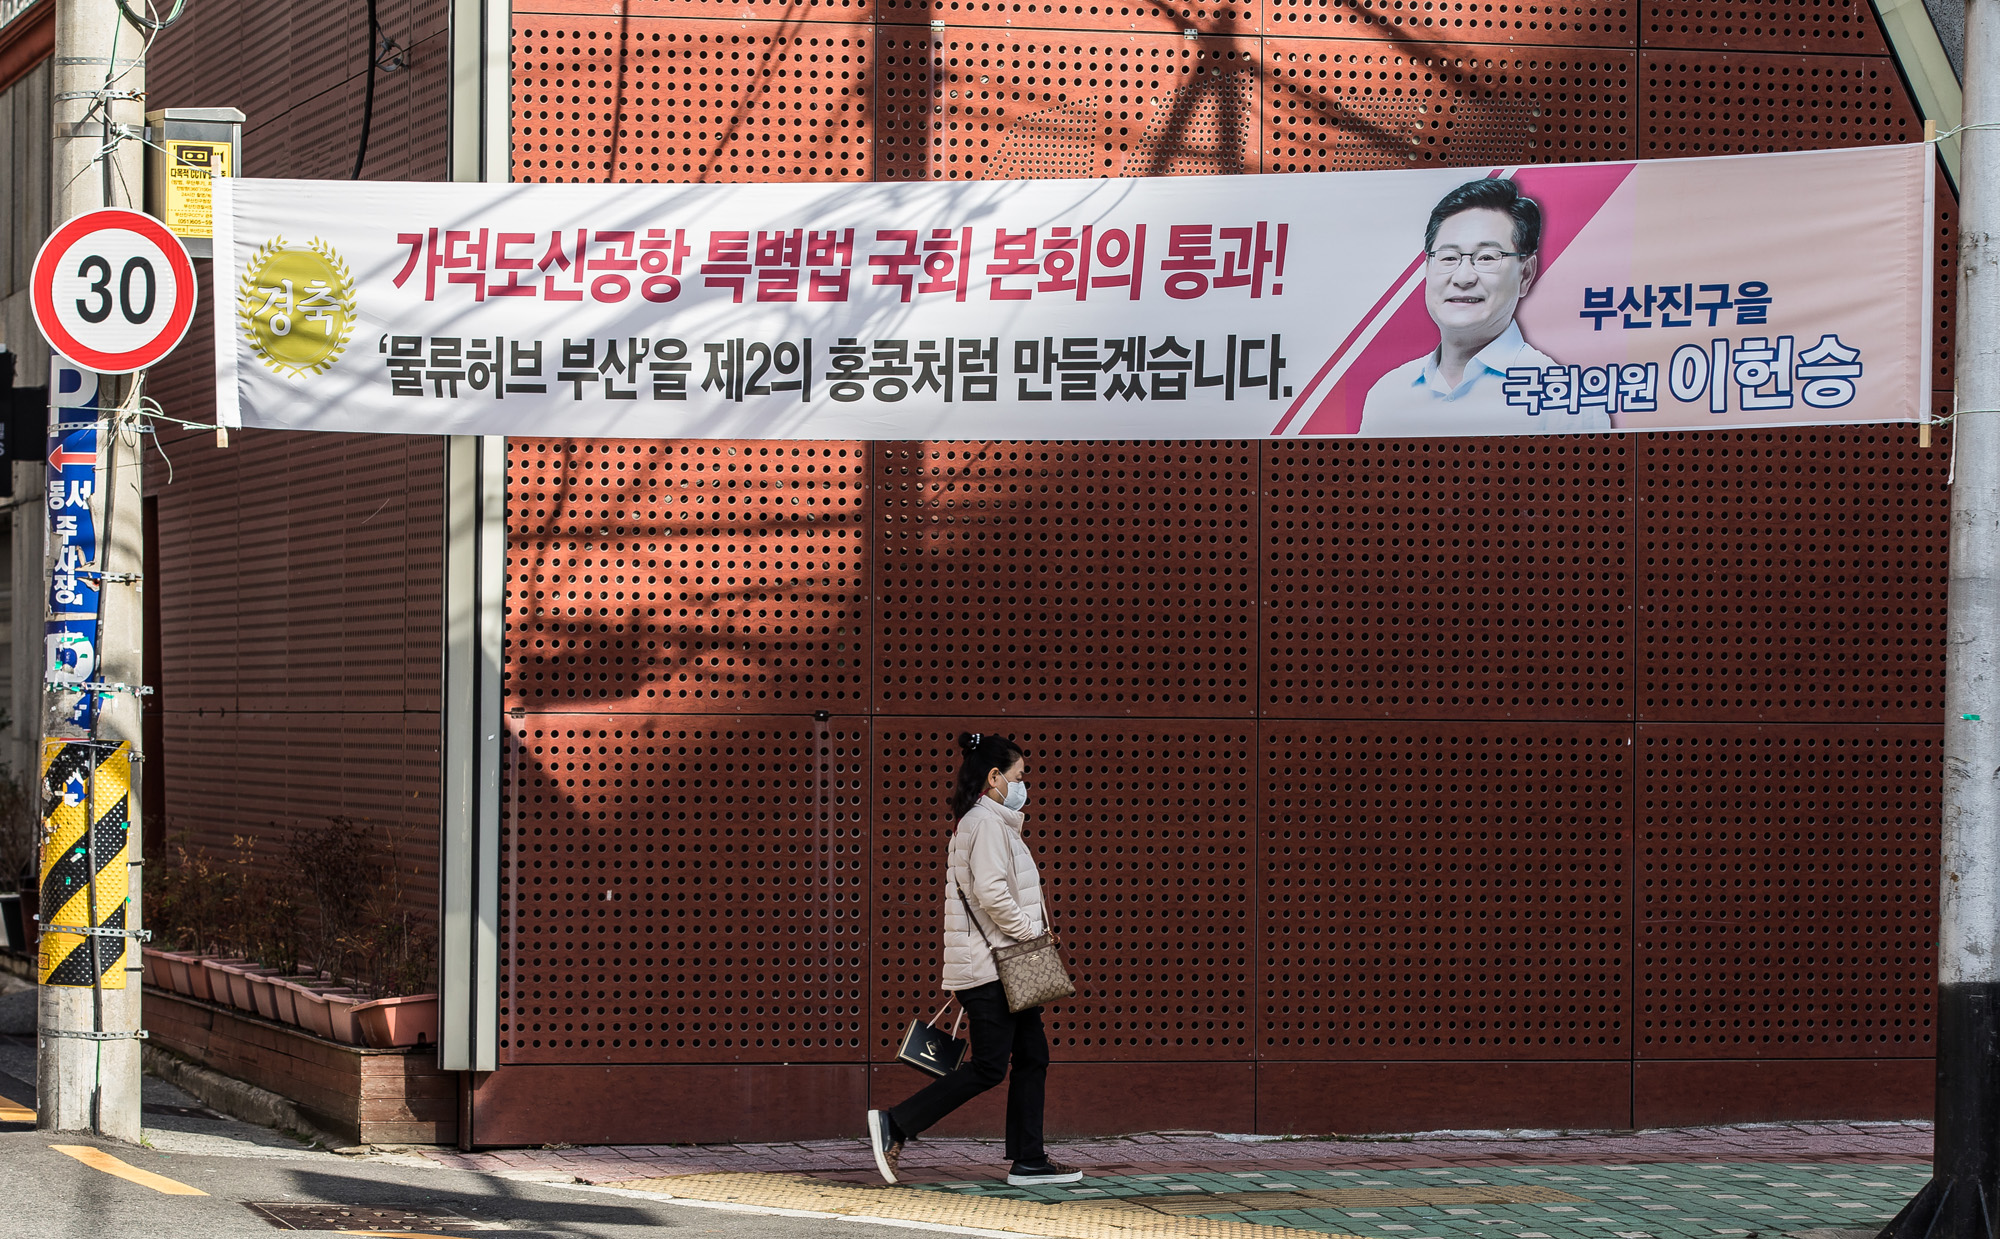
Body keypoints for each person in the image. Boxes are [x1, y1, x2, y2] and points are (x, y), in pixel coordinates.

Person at [867, 733, 1083, 1187]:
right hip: (993, 967)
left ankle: (1028, 1160)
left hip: (1002, 965)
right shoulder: (985, 824)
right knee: (989, 1065)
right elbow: (991, 893)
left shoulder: (990, 823)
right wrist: (1032, 936)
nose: (1024, 785)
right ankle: (896, 1123)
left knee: (1033, 1056)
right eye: (1019, 776)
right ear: (994, 777)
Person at [1359, 177, 1609, 436]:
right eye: (1448, 257)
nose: (1463, 277)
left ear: (1525, 274)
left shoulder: (1565, 400)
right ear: (1427, 269)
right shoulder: (1387, 395)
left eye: (1487, 257)